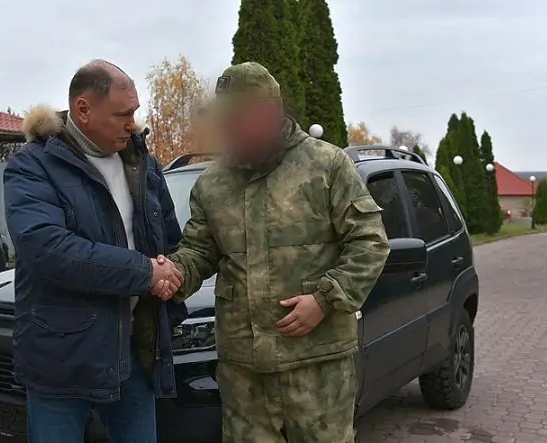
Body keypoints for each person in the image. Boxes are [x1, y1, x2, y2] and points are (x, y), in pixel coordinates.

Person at [165, 62, 391, 443]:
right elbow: (199, 251)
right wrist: (171, 273)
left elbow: (370, 242)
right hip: (244, 373)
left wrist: (324, 300)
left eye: (235, 119)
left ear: (269, 111)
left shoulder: (326, 166)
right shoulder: (211, 184)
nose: (227, 130)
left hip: (316, 367)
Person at [4, 59, 186, 443]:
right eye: (122, 114)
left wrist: (170, 273)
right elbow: (47, 248)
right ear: (83, 110)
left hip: (134, 350)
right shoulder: (34, 165)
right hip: (62, 358)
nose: (132, 123)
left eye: (134, 111)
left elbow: (170, 241)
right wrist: (145, 273)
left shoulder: (142, 163)